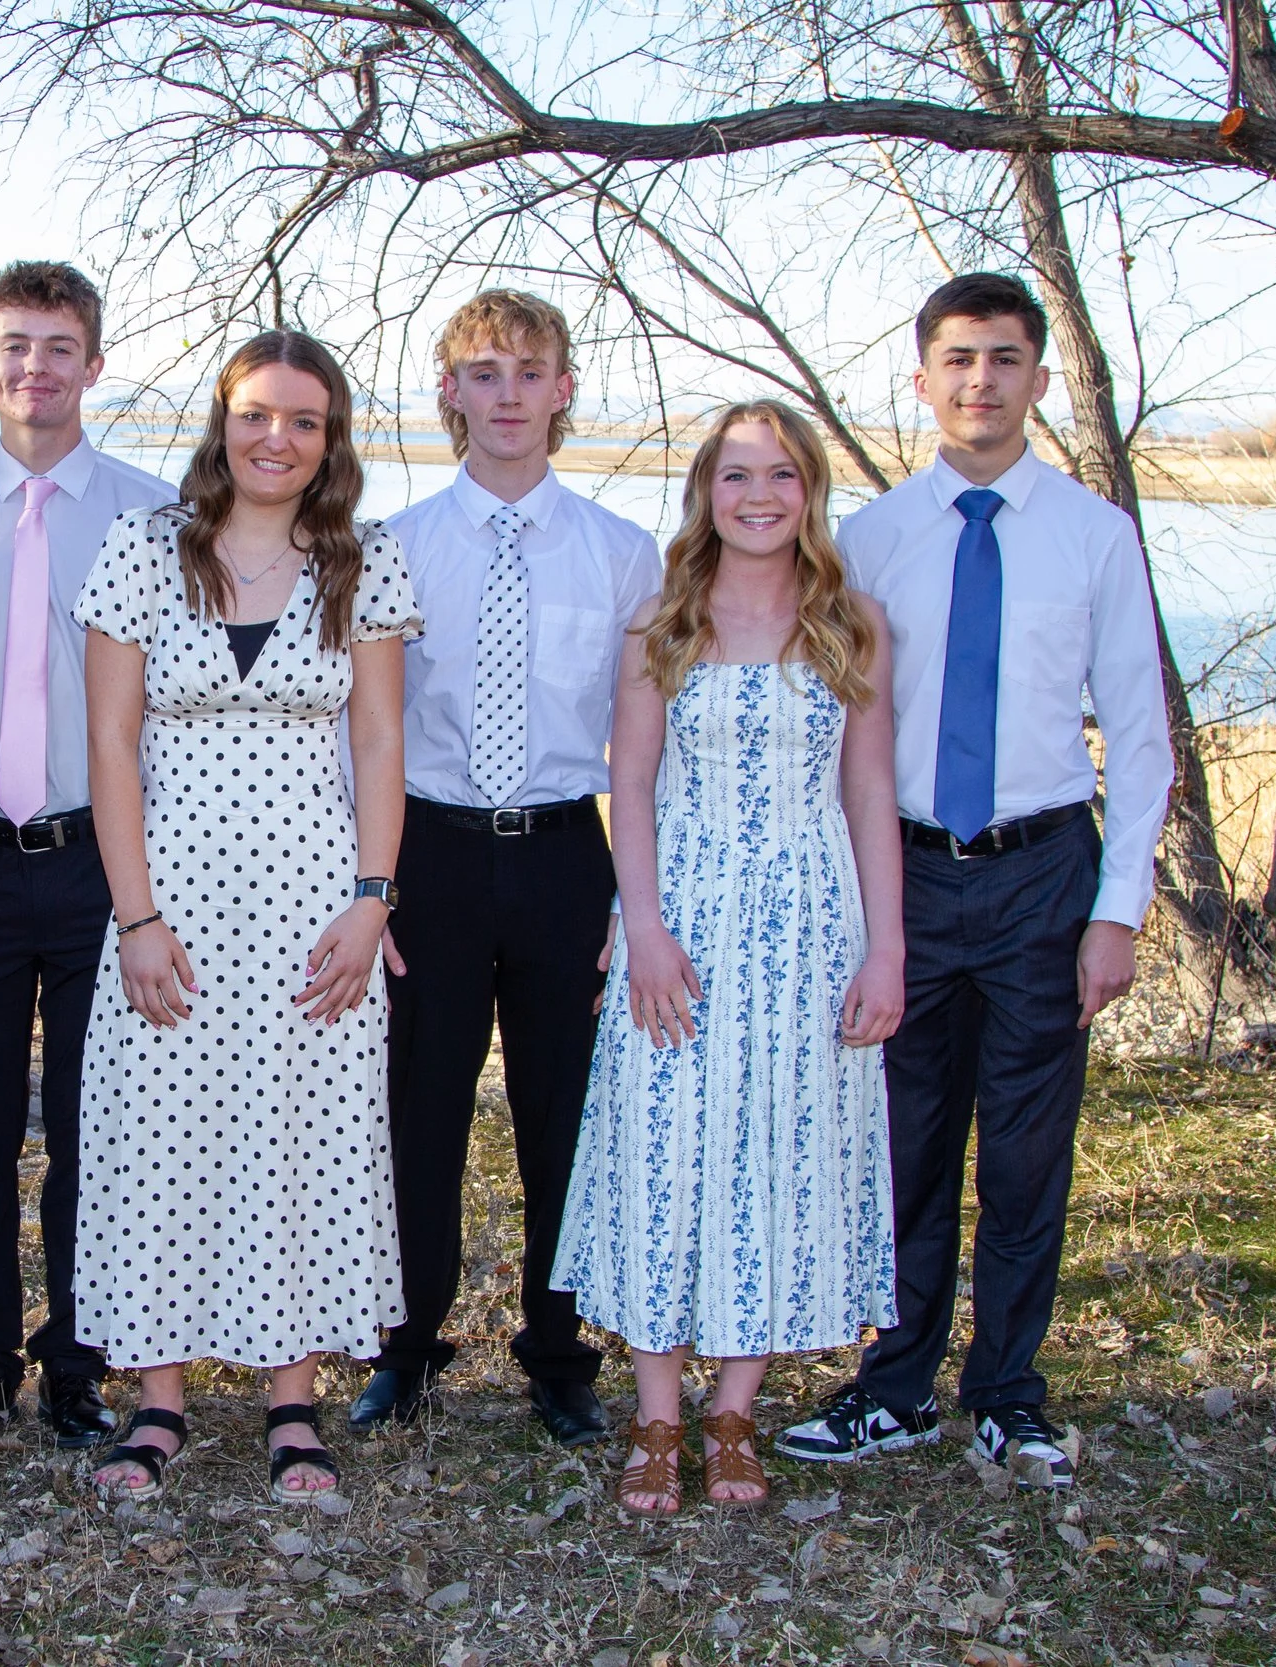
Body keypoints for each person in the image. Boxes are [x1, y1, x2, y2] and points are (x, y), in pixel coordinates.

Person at [775, 273, 1172, 1489]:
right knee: (904, 1145)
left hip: (1044, 873)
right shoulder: (873, 540)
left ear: (1039, 380)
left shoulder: (1094, 536)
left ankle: (1007, 1393)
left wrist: (1118, 910)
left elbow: (1144, 736)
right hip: (902, 877)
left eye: (1004, 359)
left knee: (1026, 1154)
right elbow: (830, 729)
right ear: (922, 378)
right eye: (957, 358)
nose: (980, 380)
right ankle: (893, 1389)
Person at [74, 330, 420, 1505]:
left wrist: (374, 899)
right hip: (168, 897)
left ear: (332, 442)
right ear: (222, 421)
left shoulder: (360, 562)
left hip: (314, 904)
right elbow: (109, 745)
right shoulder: (139, 549)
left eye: (306, 420)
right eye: (257, 413)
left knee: (306, 1134)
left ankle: (291, 1399)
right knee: (158, 1128)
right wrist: (135, 917)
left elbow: (377, 740)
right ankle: (158, 1401)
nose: (278, 438)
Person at [551, 401, 904, 1514]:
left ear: (810, 491)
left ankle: (733, 1409)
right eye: (737, 474)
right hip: (684, 922)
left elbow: (868, 789)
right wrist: (641, 924)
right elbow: (636, 782)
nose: (760, 495)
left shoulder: (852, 619)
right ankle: (656, 1415)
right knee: (664, 1146)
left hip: (810, 922)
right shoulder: (664, 618)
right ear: (706, 490)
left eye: (783, 474)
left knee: (782, 1150)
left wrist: (884, 947)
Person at [352, 290, 660, 1445]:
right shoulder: (392, 550)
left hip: (562, 854)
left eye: (530, 372)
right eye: (483, 373)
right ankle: (408, 1342)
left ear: (565, 388)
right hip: (427, 853)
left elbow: (643, 751)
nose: (508, 395)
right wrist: (368, 885)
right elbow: (360, 736)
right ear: (449, 392)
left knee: (564, 1117)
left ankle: (558, 1347)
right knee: (414, 1115)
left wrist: (633, 897)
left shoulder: (624, 556)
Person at [0, 262, 175, 1449]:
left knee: (92, 1125)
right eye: (16, 345)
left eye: (60, 347)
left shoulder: (155, 515)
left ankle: (79, 1360)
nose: (37, 368)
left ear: (93, 366)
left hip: (95, 862)